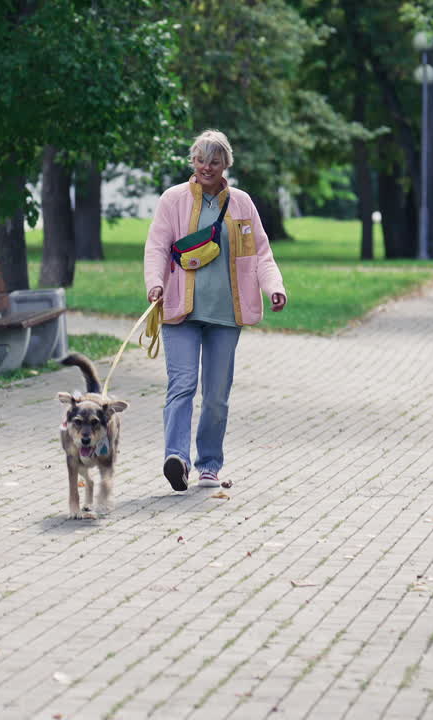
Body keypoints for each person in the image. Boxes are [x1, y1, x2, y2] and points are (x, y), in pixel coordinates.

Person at [144, 129, 287, 492]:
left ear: (226, 164)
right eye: (200, 159)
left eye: (215, 160)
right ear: (192, 162)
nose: (207, 167)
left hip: (226, 315)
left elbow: (261, 253)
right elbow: (157, 247)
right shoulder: (173, 199)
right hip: (180, 311)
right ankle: (176, 458)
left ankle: (209, 463)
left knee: (217, 395)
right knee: (182, 385)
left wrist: (274, 287)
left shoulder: (241, 203)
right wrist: (154, 283)